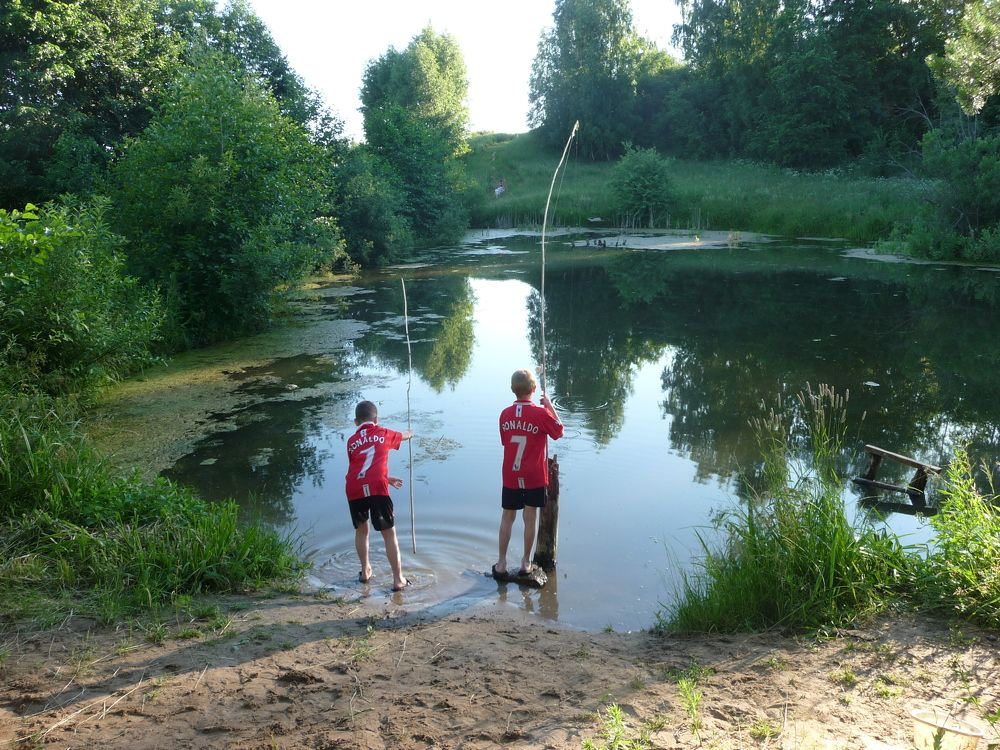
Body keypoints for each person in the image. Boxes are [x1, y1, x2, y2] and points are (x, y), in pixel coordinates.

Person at [494, 369, 564, 578]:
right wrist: (550, 406)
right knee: (530, 516)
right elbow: (559, 431)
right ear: (533, 390)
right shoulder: (541, 414)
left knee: (507, 516)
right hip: (533, 475)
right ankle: (525, 563)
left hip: (511, 475)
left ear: (513, 389)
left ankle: (501, 563)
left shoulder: (504, 414)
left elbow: (505, 441)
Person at [345, 400, 413, 591]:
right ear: (377, 419)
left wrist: (387, 478)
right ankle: (398, 579)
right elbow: (404, 436)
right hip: (377, 488)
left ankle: (365, 572)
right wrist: (411, 432)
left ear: (356, 422)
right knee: (389, 533)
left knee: (361, 530)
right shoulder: (383, 433)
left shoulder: (351, 441)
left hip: (354, 488)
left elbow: (360, 467)